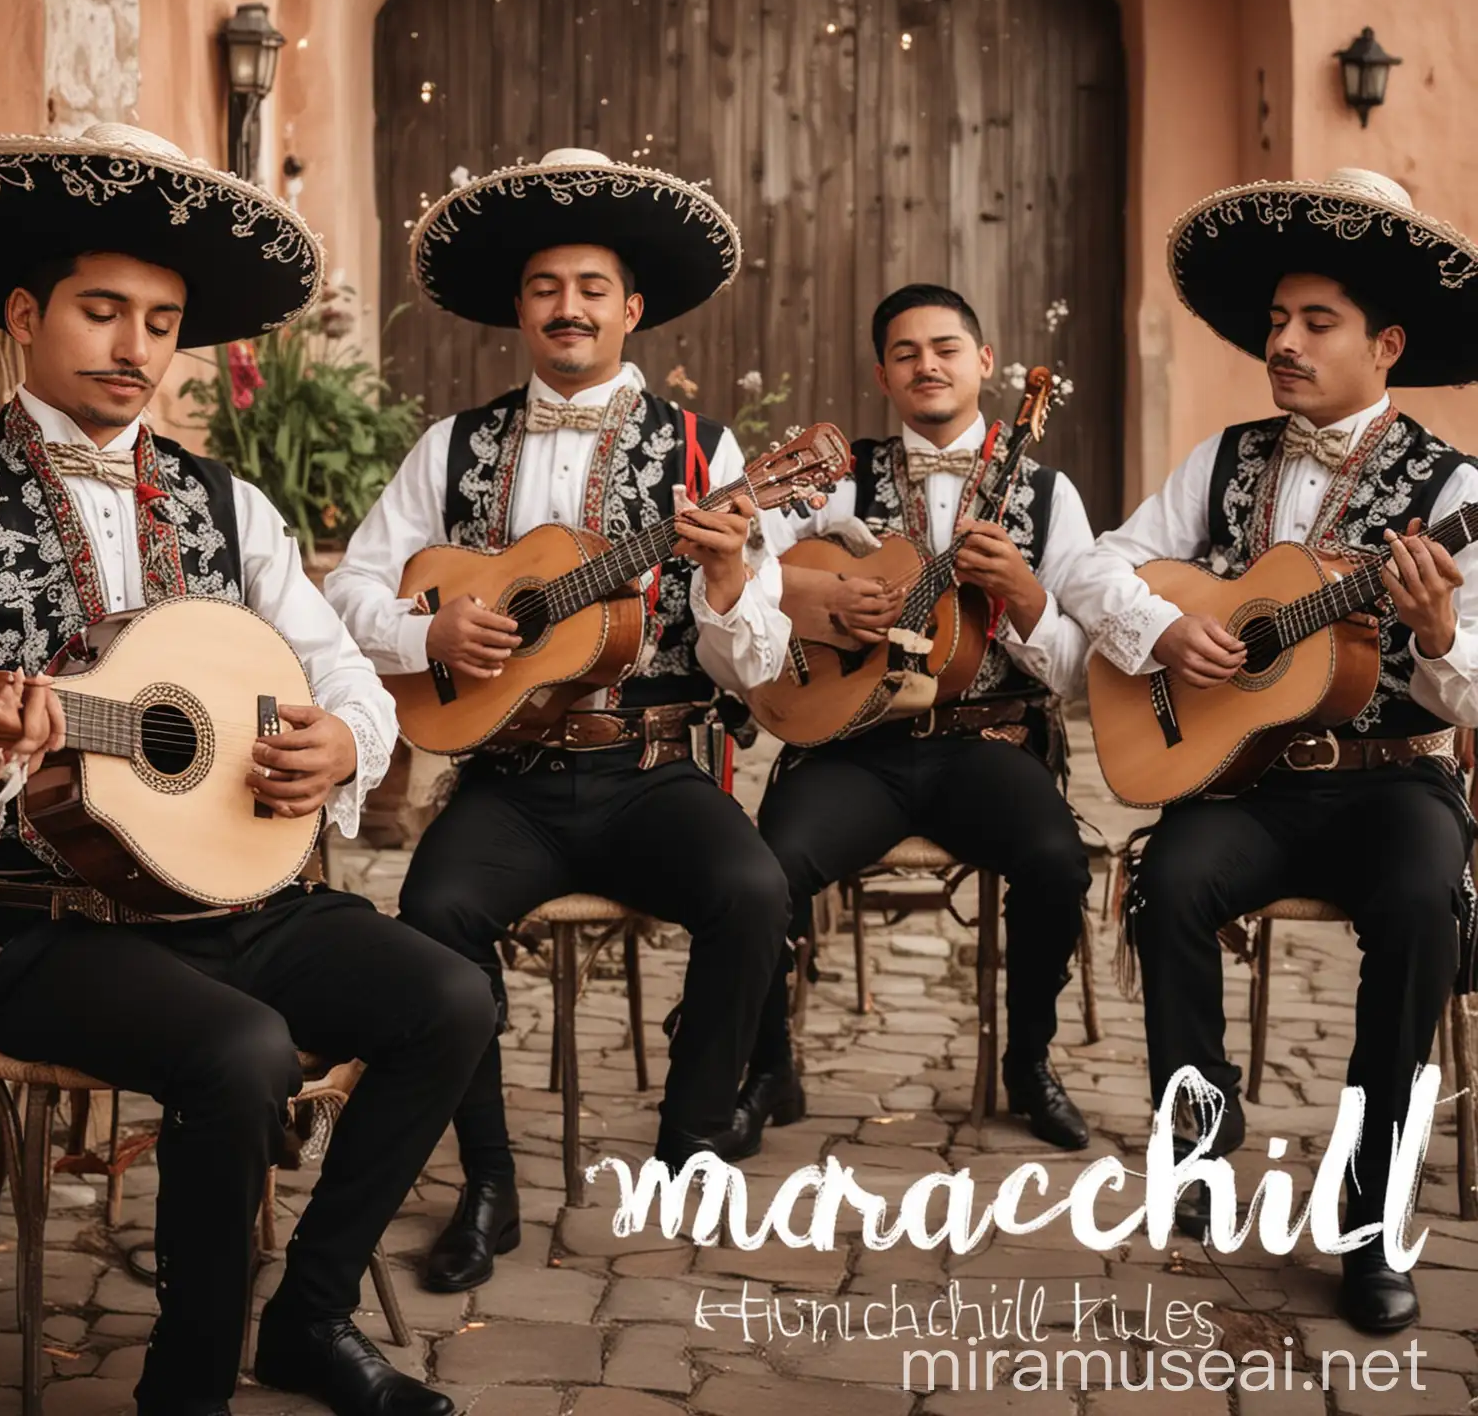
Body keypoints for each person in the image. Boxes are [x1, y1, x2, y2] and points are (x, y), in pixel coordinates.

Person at [0, 123, 495, 1416]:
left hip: (238, 901)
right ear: (26, 317)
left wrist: (345, 740)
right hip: (41, 930)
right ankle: (183, 1392)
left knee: (451, 999)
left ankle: (306, 1320)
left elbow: (342, 670)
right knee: (244, 1055)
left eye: (162, 321)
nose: (136, 348)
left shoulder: (225, 508)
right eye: (102, 311)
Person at [326, 149, 792, 1294]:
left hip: (649, 770)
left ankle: (688, 1142)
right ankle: (488, 1186)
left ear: (630, 309)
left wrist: (728, 584)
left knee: (755, 891)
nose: (569, 307)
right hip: (507, 783)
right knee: (431, 913)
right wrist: (427, 639)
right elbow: (350, 594)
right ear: (519, 311)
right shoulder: (452, 448)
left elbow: (762, 658)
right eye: (546, 288)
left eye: (592, 287)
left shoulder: (708, 456)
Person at [1057, 168, 1478, 1334]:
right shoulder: (1226, 458)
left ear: (1385, 344)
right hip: (1242, 780)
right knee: (1171, 876)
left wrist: (1440, 633)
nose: (1282, 342)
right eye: (1277, 322)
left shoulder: (1453, 492)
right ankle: (1198, 1123)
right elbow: (1094, 563)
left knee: (1417, 910)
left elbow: (1477, 685)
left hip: (1392, 781)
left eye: (1316, 324)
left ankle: (1367, 1213)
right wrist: (1163, 628)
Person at [739, 283, 1096, 1157]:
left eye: (944, 348)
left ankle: (1030, 1058)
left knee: (1056, 859)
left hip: (989, 744)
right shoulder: (833, 482)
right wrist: (828, 603)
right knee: (762, 869)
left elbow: (1077, 669)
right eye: (906, 353)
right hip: (853, 746)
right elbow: (750, 581)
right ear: (883, 375)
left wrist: (1020, 591)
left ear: (982, 363)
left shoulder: (1047, 495)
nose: (926, 365)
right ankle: (765, 1063)